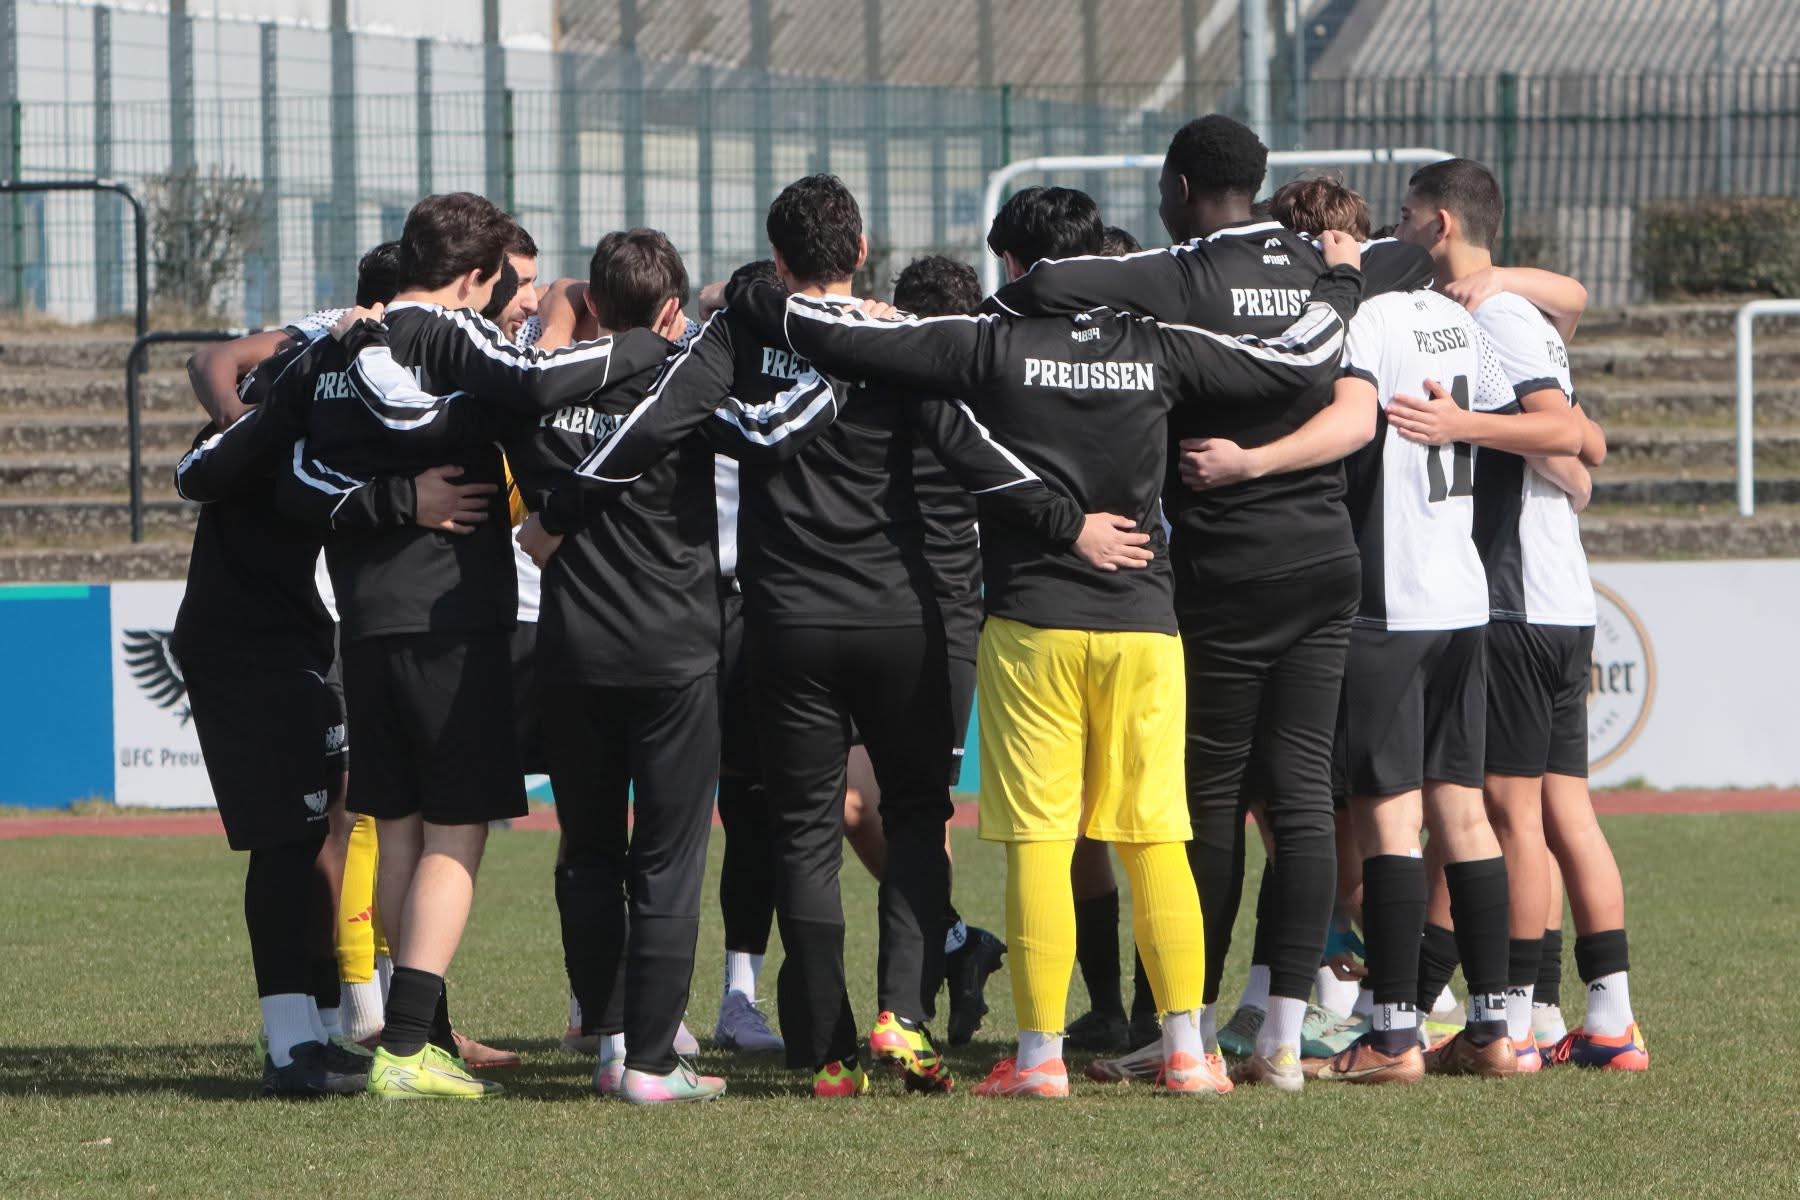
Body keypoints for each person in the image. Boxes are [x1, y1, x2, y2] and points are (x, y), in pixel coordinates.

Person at [721, 200, 1367, 1098]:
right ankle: (1188, 1049)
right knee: (1155, 839)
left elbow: (835, 339)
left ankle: (1039, 1060)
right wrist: (1341, 279)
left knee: (1039, 842)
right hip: (1144, 621)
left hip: (1034, 622)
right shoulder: (1160, 345)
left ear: (1022, 270)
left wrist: (761, 297)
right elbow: (1300, 357)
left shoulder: (991, 342)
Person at [565, 175, 1094, 1098]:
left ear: (777, 260)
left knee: (805, 828)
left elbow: (662, 421)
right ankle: (903, 1016)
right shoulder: (895, 337)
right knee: (917, 816)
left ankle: (825, 1048)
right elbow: (975, 450)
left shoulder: (745, 334)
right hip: (905, 620)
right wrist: (1071, 522)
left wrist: (562, 509)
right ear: (860, 253)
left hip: (787, 621)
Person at [989, 115, 1431, 1085]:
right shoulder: (1325, 266)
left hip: (1227, 565)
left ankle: (1180, 1028)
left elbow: (1053, 284)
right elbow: (1412, 261)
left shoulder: (1187, 272)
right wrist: (1353, 261)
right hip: (1328, 555)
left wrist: (1022, 304)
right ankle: (1281, 1039)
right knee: (1304, 797)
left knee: (1209, 801)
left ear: (1181, 186)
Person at [287, 192, 673, 1100]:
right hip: (448, 620)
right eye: (509, 280)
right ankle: (408, 1045)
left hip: (367, 619)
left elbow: (296, 463)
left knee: (398, 830)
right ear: (473, 275)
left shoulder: (340, 348)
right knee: (456, 833)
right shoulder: (447, 333)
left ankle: (410, 1034)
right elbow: (535, 383)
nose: (517, 298)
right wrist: (645, 349)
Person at [1394, 158, 1646, 1072]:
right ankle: (1605, 1020)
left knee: (1509, 815)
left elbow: (1566, 432)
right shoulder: (1506, 305)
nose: (1400, 228)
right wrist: (1571, 453)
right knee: (1557, 810)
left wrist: (1466, 427)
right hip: (1555, 596)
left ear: (1442, 223)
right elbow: (1577, 426)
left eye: (1409, 214)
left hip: (1516, 595)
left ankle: (1523, 1021)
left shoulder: (1496, 314)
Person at [508, 228, 729, 1103]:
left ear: (593, 304)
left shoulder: (546, 387)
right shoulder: (691, 385)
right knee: (667, 861)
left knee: (589, 853)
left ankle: (607, 1042)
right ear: (671, 310)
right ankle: (652, 1062)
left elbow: (531, 359)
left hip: (573, 653)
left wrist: (569, 314)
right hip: (674, 652)